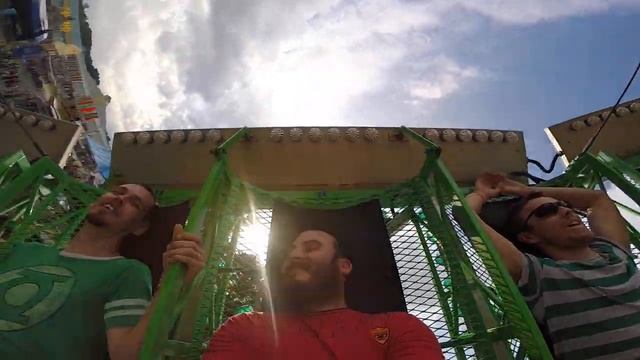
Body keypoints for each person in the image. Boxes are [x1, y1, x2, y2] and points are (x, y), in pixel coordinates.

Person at [0, 184, 205, 360]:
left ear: (140, 227)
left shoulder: (127, 272)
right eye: (118, 191)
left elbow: (126, 355)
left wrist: (171, 285)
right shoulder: (24, 250)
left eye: (134, 203)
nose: (119, 199)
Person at [466, 173, 639, 359]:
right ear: (529, 237)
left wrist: (529, 191)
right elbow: (466, 216)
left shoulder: (614, 252)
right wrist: (482, 194)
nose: (567, 211)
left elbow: (596, 199)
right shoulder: (537, 275)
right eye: (547, 210)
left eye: (564, 205)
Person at [204, 227, 443, 359]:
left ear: (343, 265)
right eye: (292, 250)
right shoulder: (244, 327)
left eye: (311, 248)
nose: (295, 255)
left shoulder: (398, 327)